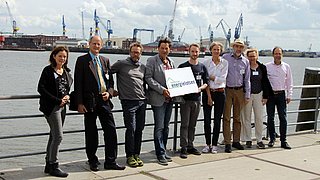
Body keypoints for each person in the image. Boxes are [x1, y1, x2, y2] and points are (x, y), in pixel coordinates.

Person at [74, 35, 125, 171]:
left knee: (110, 130)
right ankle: (92, 160)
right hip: (89, 102)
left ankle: (111, 161)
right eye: (94, 44)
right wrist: (79, 103)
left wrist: (109, 92)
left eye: (98, 44)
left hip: (104, 101)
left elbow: (111, 82)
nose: (96, 46)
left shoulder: (105, 60)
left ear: (101, 46)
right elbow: (78, 84)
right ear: (89, 44)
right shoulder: (82, 61)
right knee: (91, 133)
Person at [110, 42, 146, 167]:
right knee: (131, 129)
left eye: (138, 52)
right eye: (134, 52)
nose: (136, 54)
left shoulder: (143, 67)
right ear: (130, 52)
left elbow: (146, 82)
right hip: (128, 101)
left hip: (142, 101)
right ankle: (129, 155)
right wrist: (110, 88)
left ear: (141, 54)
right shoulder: (121, 64)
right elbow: (108, 72)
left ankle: (137, 154)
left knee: (139, 129)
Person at [37, 46, 72, 177]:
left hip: (63, 107)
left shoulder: (66, 72)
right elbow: (41, 88)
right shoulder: (47, 70)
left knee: (53, 135)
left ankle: (48, 164)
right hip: (51, 107)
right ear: (54, 56)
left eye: (64, 56)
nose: (62, 59)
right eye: (60, 56)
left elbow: (67, 89)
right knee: (58, 136)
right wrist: (57, 100)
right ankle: (54, 164)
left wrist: (68, 97)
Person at [145, 37, 175, 165]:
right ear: (158, 48)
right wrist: (162, 90)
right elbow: (148, 78)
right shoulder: (152, 60)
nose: (164, 50)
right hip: (158, 98)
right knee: (159, 127)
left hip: (170, 99)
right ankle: (160, 153)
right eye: (162, 48)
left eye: (166, 48)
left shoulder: (171, 62)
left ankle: (164, 149)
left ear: (169, 49)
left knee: (166, 127)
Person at [178, 43, 208, 159]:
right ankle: (184, 147)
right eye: (192, 52)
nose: (194, 54)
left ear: (199, 53)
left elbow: (206, 83)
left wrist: (200, 89)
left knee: (193, 125)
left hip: (197, 99)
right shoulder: (182, 66)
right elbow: (177, 83)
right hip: (186, 100)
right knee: (184, 124)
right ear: (189, 52)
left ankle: (191, 145)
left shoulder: (202, 67)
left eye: (196, 52)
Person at [222, 39, 251, 153]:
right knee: (227, 117)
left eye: (241, 47)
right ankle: (227, 142)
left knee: (238, 118)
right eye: (237, 46)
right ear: (233, 47)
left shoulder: (245, 61)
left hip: (240, 91)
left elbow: (247, 79)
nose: (238, 49)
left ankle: (236, 140)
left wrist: (247, 94)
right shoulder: (225, 58)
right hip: (228, 90)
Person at [240, 48, 271, 149]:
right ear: (247, 57)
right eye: (250, 56)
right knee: (246, 118)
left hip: (259, 94)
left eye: (254, 56)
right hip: (247, 95)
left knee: (259, 117)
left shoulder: (262, 67)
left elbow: (265, 82)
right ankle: (248, 139)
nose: (252, 58)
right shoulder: (245, 67)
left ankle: (259, 139)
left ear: (257, 56)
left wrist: (266, 96)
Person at [202, 42, 228, 154]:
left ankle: (215, 144)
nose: (216, 51)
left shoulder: (225, 63)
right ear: (211, 50)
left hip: (220, 93)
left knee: (217, 120)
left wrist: (212, 77)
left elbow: (223, 79)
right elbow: (205, 80)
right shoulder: (206, 63)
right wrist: (208, 96)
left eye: (218, 49)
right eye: (214, 49)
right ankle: (207, 144)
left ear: (221, 51)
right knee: (207, 120)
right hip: (208, 92)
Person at [265, 46, 293, 149]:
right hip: (271, 95)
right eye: (276, 53)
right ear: (273, 55)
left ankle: (283, 141)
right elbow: (264, 81)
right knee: (270, 118)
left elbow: (289, 82)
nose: (278, 55)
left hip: (281, 94)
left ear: (282, 55)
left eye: (279, 54)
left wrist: (289, 94)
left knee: (283, 118)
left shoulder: (286, 67)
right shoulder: (267, 66)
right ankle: (272, 139)